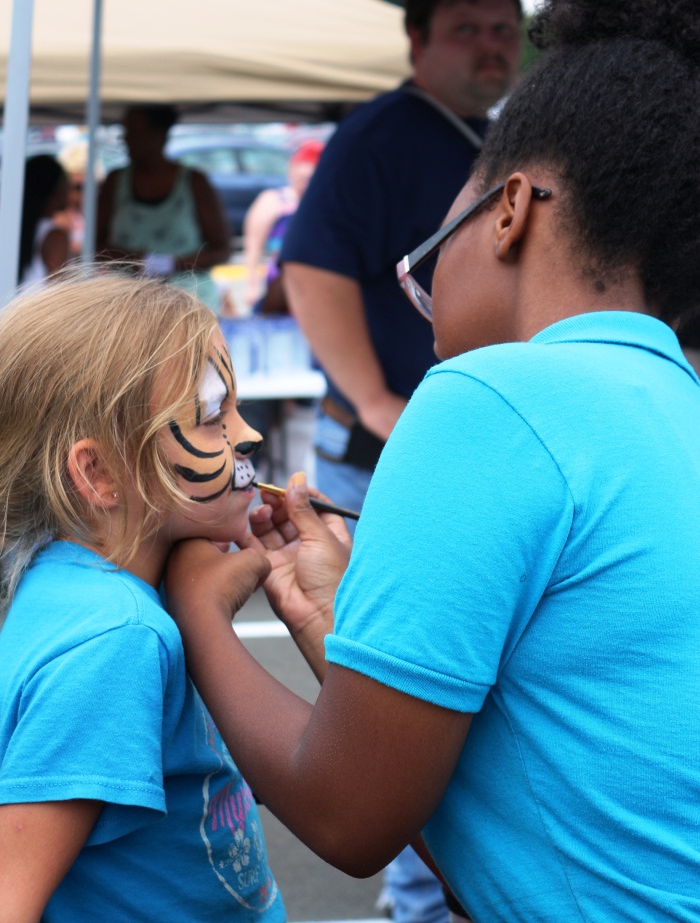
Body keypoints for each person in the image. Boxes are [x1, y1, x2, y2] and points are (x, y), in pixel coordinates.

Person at [164, 0, 700, 919]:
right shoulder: (671, 405)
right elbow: (521, 810)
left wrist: (196, 612)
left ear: (509, 214)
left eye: (426, 254)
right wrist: (336, 617)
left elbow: (349, 813)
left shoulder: (489, 397)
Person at [0, 276, 286, 921]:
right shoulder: (119, 639)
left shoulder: (71, 585)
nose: (246, 435)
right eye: (212, 416)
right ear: (100, 474)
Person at [281, 0, 522, 536]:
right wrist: (373, 400)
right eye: (465, 29)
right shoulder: (380, 137)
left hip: (459, 447)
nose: (489, 44)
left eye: (503, 29)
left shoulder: (491, 135)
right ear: (418, 39)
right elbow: (311, 268)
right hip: (385, 458)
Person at [96, 104, 231, 310]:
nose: (126, 138)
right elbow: (94, 245)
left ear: (157, 133)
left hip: (186, 302)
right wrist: (131, 259)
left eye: (133, 129)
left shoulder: (194, 182)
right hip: (126, 301)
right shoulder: (115, 181)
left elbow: (221, 249)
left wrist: (173, 263)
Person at [242, 139, 325, 314]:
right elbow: (253, 245)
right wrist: (251, 285)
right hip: (279, 286)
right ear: (291, 172)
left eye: (310, 178)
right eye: (301, 178)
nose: (305, 184)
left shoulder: (327, 206)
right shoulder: (274, 201)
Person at [18, 154, 70, 288]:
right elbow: (57, 292)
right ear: (55, 191)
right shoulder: (55, 236)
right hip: (39, 308)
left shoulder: (16, 228)